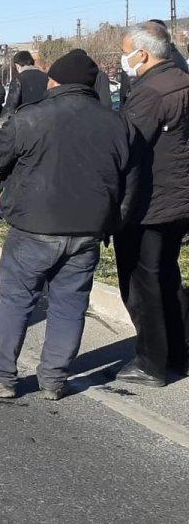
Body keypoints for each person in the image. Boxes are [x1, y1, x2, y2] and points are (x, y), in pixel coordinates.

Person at [0, 49, 135, 400]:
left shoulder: (33, 117)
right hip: (89, 230)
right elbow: (130, 184)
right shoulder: (118, 124)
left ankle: (1, 376)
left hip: (34, 227)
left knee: (16, 301)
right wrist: (112, 224)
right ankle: (54, 379)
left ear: (54, 81)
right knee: (70, 305)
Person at [114, 21, 189, 387]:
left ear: (142, 53)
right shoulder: (182, 78)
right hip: (179, 198)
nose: (123, 58)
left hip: (151, 201)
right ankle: (179, 353)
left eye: (125, 50)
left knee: (142, 282)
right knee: (167, 276)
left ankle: (151, 362)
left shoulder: (151, 92)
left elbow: (128, 146)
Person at [3, 51, 48, 119]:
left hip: (26, 121)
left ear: (17, 65)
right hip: (46, 117)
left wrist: (2, 123)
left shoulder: (18, 79)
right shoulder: (46, 77)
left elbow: (11, 105)